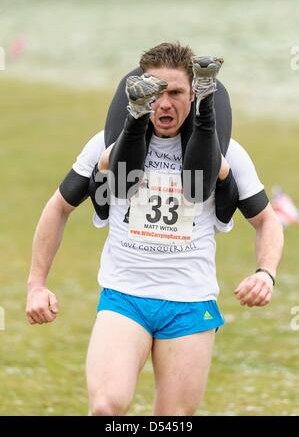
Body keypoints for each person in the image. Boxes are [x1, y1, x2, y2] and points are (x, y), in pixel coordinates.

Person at [26, 42, 284, 416]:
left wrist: (267, 273)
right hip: (124, 296)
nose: (165, 104)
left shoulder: (227, 153)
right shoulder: (105, 146)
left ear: (193, 94)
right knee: (105, 407)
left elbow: (266, 221)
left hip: (190, 302)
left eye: (176, 93)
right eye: (156, 92)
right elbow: (58, 207)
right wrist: (36, 284)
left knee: (173, 420)